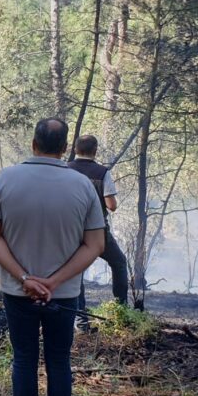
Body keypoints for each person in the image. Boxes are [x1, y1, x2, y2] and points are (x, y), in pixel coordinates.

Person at [0, 118, 105, 396]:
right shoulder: (82, 186)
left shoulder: (6, 178)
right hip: (63, 295)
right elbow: (95, 245)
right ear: (65, 148)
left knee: (24, 358)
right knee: (59, 361)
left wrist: (25, 278)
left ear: (33, 144)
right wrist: (55, 281)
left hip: (17, 290)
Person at [68, 135, 131, 327]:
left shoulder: (65, 170)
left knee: (76, 270)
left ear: (75, 149)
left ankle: (80, 320)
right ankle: (121, 312)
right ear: (95, 150)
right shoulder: (102, 172)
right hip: (97, 231)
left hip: (71, 230)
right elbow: (112, 205)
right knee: (119, 263)